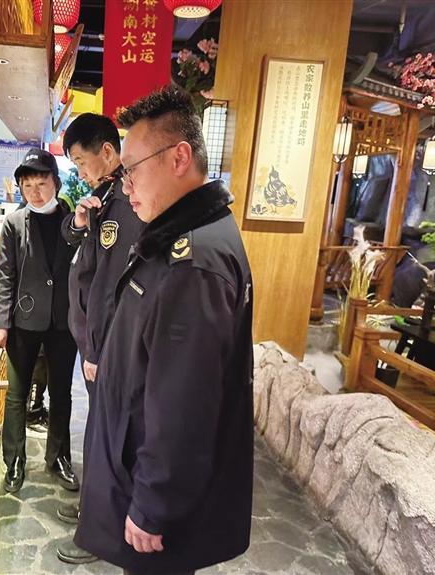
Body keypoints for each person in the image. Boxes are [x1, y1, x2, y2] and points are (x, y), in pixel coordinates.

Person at [74, 86, 254, 574]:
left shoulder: (193, 261)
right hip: (133, 459)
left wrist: (154, 503)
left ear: (179, 158)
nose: (124, 184)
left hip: (151, 487)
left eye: (131, 168)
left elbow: (185, 400)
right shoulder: (175, 235)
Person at [55, 113, 144, 565]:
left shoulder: (127, 202)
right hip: (94, 340)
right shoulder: (105, 194)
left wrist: (95, 350)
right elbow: (81, 248)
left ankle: (99, 531)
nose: (80, 170)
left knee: (107, 441)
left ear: (107, 151)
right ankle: (93, 511)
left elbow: (111, 286)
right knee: (96, 433)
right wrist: (79, 219)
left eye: (80, 161)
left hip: (106, 347)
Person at [0, 148, 79, 493]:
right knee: (16, 395)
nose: (35, 192)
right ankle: (14, 461)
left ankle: (59, 457)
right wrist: (1, 323)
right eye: (27, 186)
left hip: (63, 321)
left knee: (61, 393)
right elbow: (5, 275)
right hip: (23, 322)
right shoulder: (14, 223)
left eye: (41, 183)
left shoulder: (73, 220)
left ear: (55, 182)